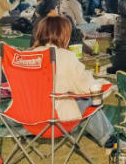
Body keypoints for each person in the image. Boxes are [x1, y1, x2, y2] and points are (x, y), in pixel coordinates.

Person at [28, 16, 115, 147]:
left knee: (76, 97)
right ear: (64, 35)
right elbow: (88, 87)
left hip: (27, 117)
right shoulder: (65, 56)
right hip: (54, 120)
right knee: (87, 100)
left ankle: (107, 137)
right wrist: (107, 85)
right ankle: (109, 139)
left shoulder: (27, 56)